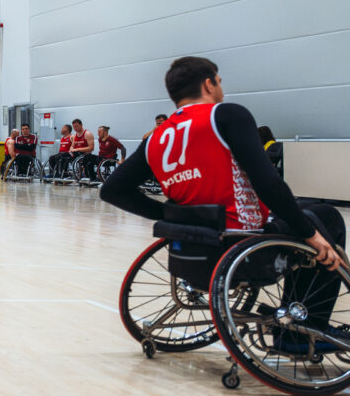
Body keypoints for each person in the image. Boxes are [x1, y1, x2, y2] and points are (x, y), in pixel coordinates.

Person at [101, 57, 341, 276]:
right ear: (209, 85)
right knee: (325, 216)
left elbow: (111, 190)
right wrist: (310, 233)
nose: (221, 90)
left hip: (189, 243)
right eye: (219, 82)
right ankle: (301, 310)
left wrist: (168, 215)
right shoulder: (226, 115)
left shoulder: (155, 137)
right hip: (238, 240)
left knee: (304, 208)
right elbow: (268, 183)